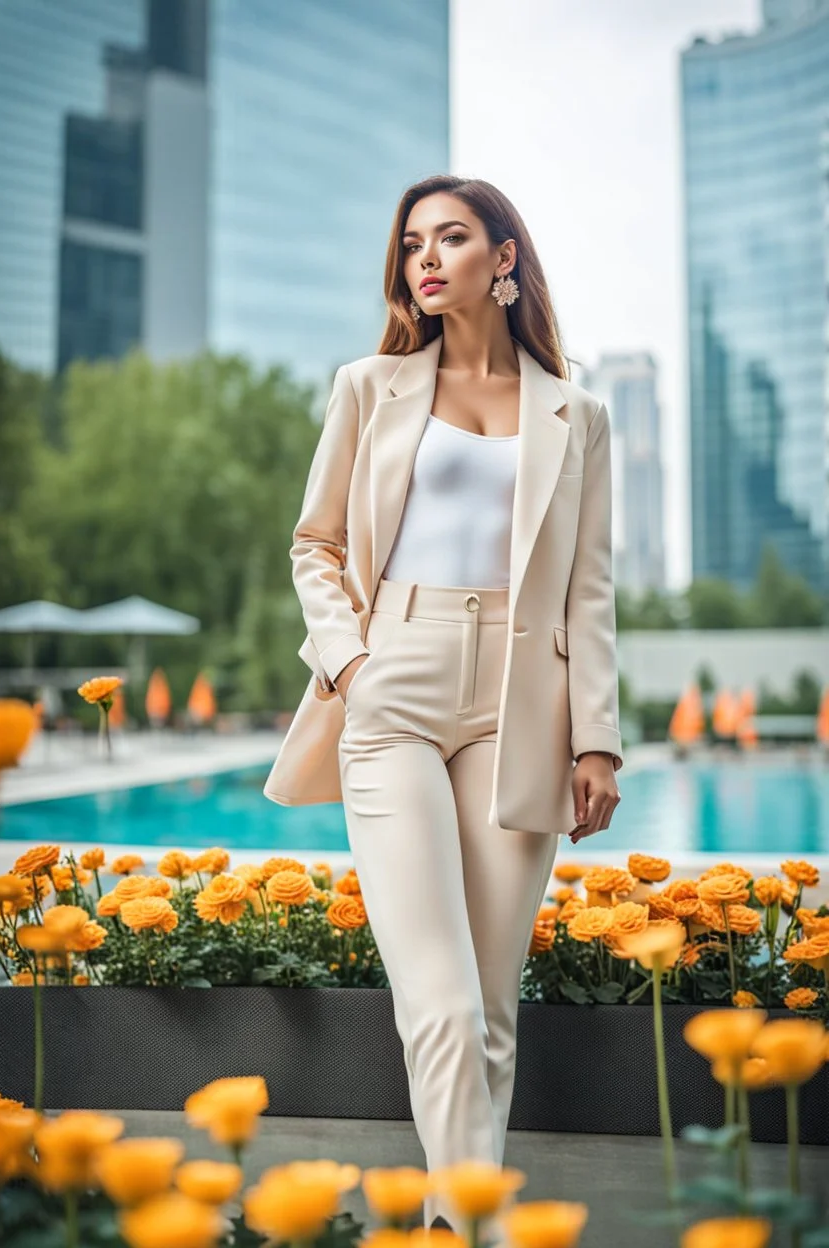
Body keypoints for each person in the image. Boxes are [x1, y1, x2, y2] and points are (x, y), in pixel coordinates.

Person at [264, 174, 623, 1232]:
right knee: (445, 1002)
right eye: (413, 242)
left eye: (452, 237)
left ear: (503, 259)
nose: (425, 258)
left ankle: (450, 1217)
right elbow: (315, 545)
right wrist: (355, 666)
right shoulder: (367, 387)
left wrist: (594, 738)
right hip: (396, 681)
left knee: (494, 1007)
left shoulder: (579, 416)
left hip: (524, 703)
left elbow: (590, 588)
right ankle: (468, 1229)